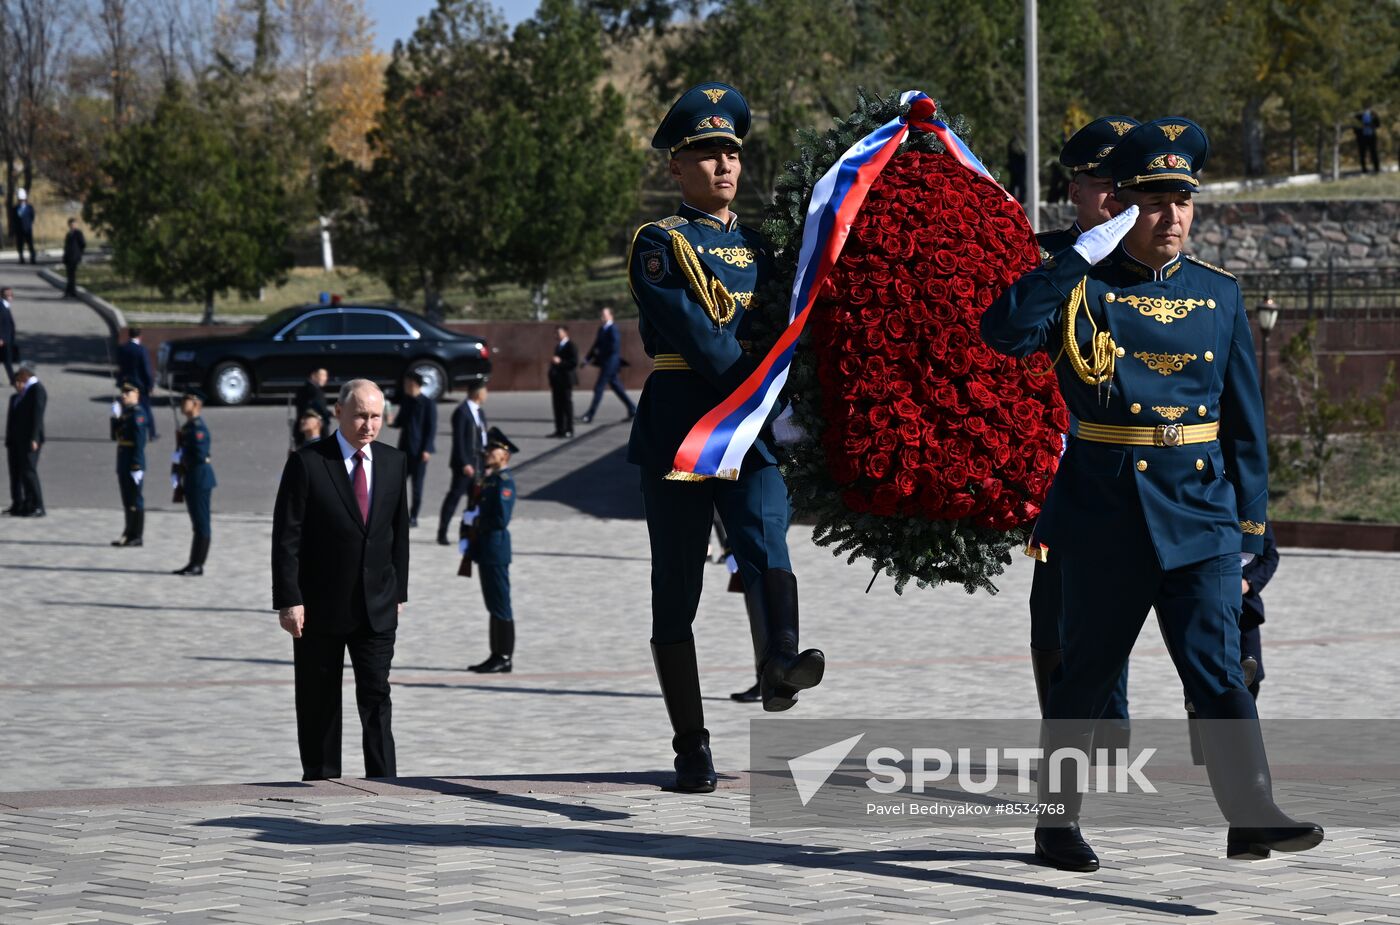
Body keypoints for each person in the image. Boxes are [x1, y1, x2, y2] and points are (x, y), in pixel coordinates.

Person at [982, 117, 1322, 870]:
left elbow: (1245, 427)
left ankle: (1253, 809)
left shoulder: (1220, 295)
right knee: (1087, 677)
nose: (1172, 217)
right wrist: (1073, 259)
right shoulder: (1083, 285)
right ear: (1125, 205)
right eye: (1155, 201)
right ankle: (1055, 822)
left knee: (1218, 665)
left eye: (1183, 201)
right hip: (1107, 513)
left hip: (1199, 514)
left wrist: (1251, 532)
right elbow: (1001, 331)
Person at [629, 82, 824, 794]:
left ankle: (778, 662)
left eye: (731, 153)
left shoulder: (762, 248)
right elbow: (700, 340)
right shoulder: (660, 244)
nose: (722, 166)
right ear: (675, 169)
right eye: (706, 154)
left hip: (752, 422)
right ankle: (691, 744)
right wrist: (762, 395)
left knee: (769, 542)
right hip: (685, 421)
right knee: (675, 589)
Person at [1026, 115, 1139, 751]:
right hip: (1055, 461)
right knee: (1054, 611)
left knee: (1112, 600)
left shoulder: (1156, 269)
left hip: (1132, 462)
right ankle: (1073, 734)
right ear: (1075, 188)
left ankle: (1110, 729)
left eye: (1128, 182)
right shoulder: (1042, 257)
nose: (1117, 196)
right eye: (1103, 182)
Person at [272, 379, 410, 781]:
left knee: (376, 695)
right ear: (338, 413)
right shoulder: (309, 462)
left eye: (376, 417)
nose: (369, 425)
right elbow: (287, 537)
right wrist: (289, 598)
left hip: (377, 606)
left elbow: (397, 532)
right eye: (361, 416)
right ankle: (321, 778)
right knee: (319, 698)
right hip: (319, 606)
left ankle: (385, 780)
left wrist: (398, 590)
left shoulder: (392, 461)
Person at [466, 427, 519, 673]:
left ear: (505, 455)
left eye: (492, 449)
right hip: (485, 549)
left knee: (500, 604)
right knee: (492, 604)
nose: (487, 452)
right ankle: (495, 653)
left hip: (496, 549)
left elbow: (500, 519)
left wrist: (477, 522)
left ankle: (504, 656)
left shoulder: (504, 483)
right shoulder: (489, 480)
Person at [172, 389, 217, 576]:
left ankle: (198, 564)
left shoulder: (197, 429)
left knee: (201, 523)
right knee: (197, 524)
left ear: (197, 404)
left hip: (199, 478)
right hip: (192, 478)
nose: (183, 403)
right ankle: (193, 562)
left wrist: (182, 453)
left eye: (186, 400)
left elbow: (199, 455)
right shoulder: (189, 427)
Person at [437, 382, 487, 545]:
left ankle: (468, 534)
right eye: (485, 391)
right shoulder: (462, 412)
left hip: (478, 464)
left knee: (474, 502)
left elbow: (483, 438)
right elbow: (458, 441)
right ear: (477, 393)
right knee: (454, 498)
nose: (486, 394)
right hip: (464, 466)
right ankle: (442, 532)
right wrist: (465, 463)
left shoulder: (480, 412)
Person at [391, 371, 437, 527]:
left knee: (417, 487)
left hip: (419, 453)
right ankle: (396, 514)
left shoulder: (428, 404)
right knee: (397, 484)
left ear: (414, 384)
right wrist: (391, 421)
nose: (404, 386)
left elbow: (431, 429)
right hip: (404, 450)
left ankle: (414, 517)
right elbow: (400, 422)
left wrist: (427, 449)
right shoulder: (406, 401)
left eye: (406, 383)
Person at [580, 307, 636, 423]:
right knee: (617, 388)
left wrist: (601, 354)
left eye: (604, 315)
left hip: (610, 363)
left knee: (598, 388)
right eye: (601, 315)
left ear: (611, 316)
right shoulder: (602, 329)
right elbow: (596, 345)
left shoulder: (613, 329)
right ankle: (632, 409)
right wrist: (587, 359)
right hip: (606, 363)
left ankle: (590, 415)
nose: (602, 317)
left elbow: (614, 347)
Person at [4, 362, 45, 517]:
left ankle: (37, 505)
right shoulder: (19, 395)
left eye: (21, 375)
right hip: (16, 440)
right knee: (17, 472)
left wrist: (34, 437)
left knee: (29, 471)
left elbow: (37, 415)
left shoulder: (37, 390)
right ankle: (20, 504)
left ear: (27, 374)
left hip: (29, 439)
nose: (18, 380)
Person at [111, 382, 148, 547]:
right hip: (123, 460)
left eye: (128, 392)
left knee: (135, 500)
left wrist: (137, 465)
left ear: (137, 393)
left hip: (132, 462)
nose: (124, 395)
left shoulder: (138, 414)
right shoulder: (126, 414)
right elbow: (115, 437)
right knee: (127, 500)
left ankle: (137, 535)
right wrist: (114, 418)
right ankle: (128, 532)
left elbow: (140, 442)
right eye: (123, 392)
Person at [117, 328, 158, 441]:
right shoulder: (141, 350)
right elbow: (146, 369)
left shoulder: (122, 349)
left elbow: (120, 366)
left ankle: (121, 432)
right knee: (145, 409)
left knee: (126, 409)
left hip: (126, 383)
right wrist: (150, 385)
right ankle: (151, 433)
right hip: (140, 385)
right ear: (140, 336)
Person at [548, 325, 579, 438]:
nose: (556, 335)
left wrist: (560, 362)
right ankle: (559, 429)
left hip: (566, 380)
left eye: (559, 332)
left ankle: (569, 429)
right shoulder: (558, 346)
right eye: (555, 333)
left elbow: (574, 362)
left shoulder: (571, 345)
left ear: (565, 333)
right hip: (557, 381)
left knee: (567, 405)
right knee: (557, 406)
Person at [293, 368, 332, 448]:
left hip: (301, 431)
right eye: (323, 375)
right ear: (313, 376)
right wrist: (330, 414)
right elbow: (320, 409)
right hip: (315, 431)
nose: (325, 378)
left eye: (326, 376)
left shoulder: (302, 390)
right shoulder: (315, 392)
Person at [62, 219, 87, 297]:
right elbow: (66, 246)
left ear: (76, 225)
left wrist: (79, 253)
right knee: (69, 275)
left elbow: (83, 244)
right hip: (68, 257)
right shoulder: (69, 234)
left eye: (74, 224)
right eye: (71, 225)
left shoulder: (78, 233)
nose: (72, 226)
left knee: (72, 275)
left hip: (75, 256)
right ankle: (69, 292)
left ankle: (71, 292)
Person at [1355, 103, 1382, 174]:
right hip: (1362, 137)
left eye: (1368, 107)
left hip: (1371, 136)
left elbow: (1378, 125)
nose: (1366, 109)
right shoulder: (1358, 116)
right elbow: (1354, 126)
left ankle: (1377, 169)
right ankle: (1364, 170)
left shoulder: (1373, 115)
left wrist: (1371, 125)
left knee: (1374, 153)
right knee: (1362, 154)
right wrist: (1360, 130)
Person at [12, 189, 35, 265]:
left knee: (30, 244)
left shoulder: (29, 207)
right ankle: (21, 258)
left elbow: (32, 217)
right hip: (19, 230)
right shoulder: (15, 208)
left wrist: (28, 225)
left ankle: (33, 258)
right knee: (20, 245)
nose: (21, 201)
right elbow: (14, 219)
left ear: (25, 199)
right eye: (19, 199)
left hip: (28, 229)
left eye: (22, 199)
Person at [0, 288, 15, 384]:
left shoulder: (5, 306)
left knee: (7, 360)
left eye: (11, 294)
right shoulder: (1, 307)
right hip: (3, 339)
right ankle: (13, 380)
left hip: (7, 339)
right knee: (7, 360)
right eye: (8, 295)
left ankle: (13, 379)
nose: (10, 297)